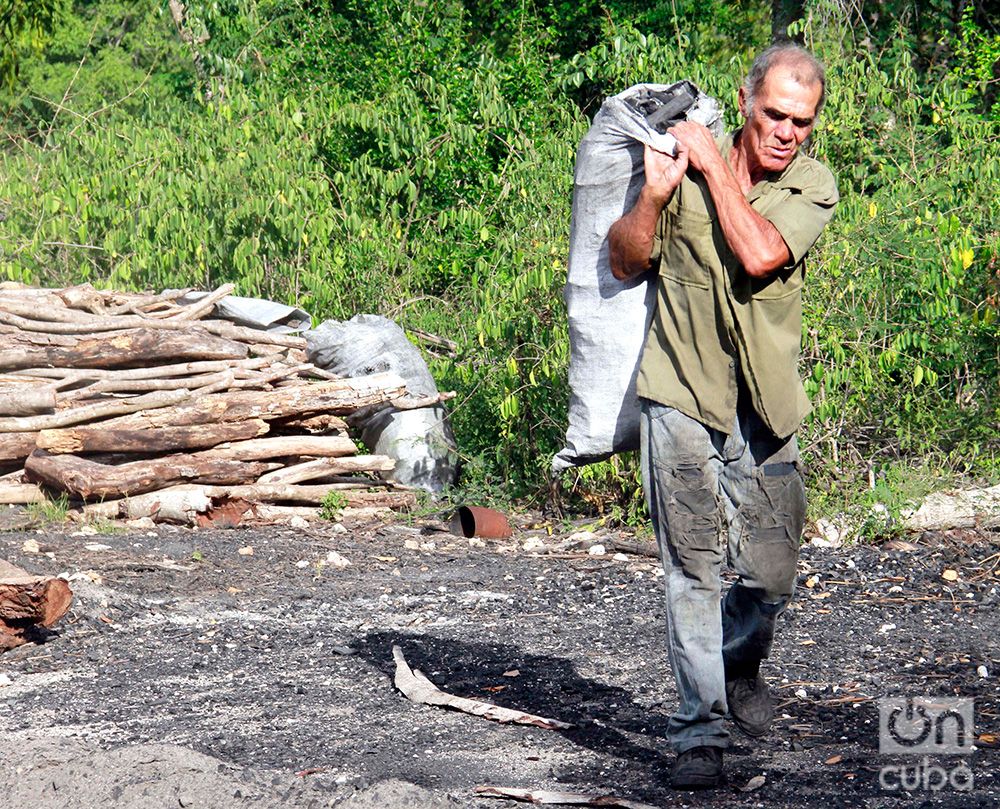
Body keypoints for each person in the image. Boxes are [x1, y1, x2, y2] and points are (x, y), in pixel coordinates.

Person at [607, 44, 839, 790]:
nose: (785, 132)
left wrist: (711, 170)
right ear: (745, 102)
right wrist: (652, 196)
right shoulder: (682, 162)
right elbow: (622, 261)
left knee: (772, 575)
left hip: (764, 406)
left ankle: (740, 657)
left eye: (800, 121)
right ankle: (697, 730)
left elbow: (761, 251)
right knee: (694, 569)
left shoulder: (813, 185)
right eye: (773, 114)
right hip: (679, 389)